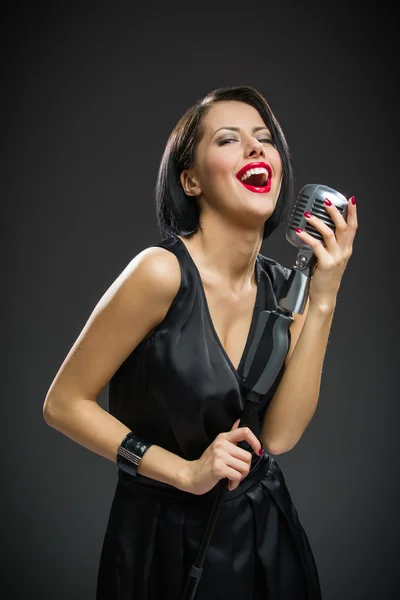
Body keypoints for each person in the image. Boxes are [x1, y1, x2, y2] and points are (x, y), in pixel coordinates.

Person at [43, 85, 358, 600]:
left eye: (264, 139)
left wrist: (324, 295)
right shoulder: (160, 273)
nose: (257, 149)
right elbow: (63, 404)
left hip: (265, 538)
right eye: (230, 140)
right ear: (190, 180)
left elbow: (278, 436)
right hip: (160, 537)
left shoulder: (287, 290)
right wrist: (185, 472)